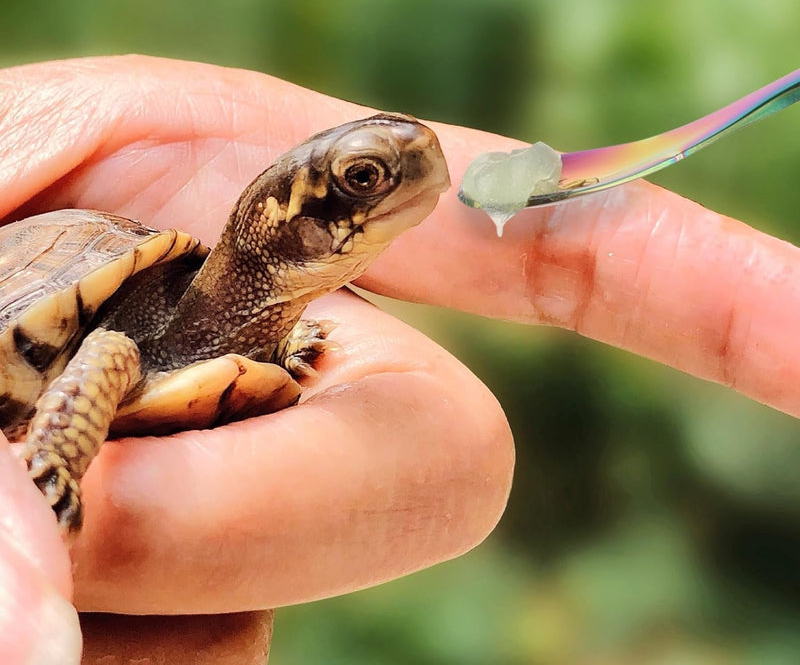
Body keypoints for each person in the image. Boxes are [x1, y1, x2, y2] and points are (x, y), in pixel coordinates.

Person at [2, 56, 796, 664]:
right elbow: (108, 349)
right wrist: (59, 465)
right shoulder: (134, 323)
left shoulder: (261, 331)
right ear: (288, 225)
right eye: (363, 179)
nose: (417, 174)